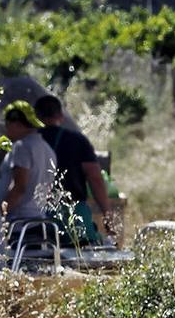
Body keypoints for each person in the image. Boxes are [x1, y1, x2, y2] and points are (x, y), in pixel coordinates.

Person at [32, 95, 114, 242]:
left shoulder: (28, 142)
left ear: (36, 116)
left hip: (35, 219)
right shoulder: (77, 141)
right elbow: (95, 178)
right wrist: (107, 216)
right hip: (74, 215)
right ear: (61, 115)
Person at [0, 100, 58, 226]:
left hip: (18, 221)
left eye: (8, 125)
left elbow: (20, 187)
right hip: (38, 219)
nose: (6, 130)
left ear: (18, 124)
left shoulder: (22, 147)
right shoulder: (47, 148)